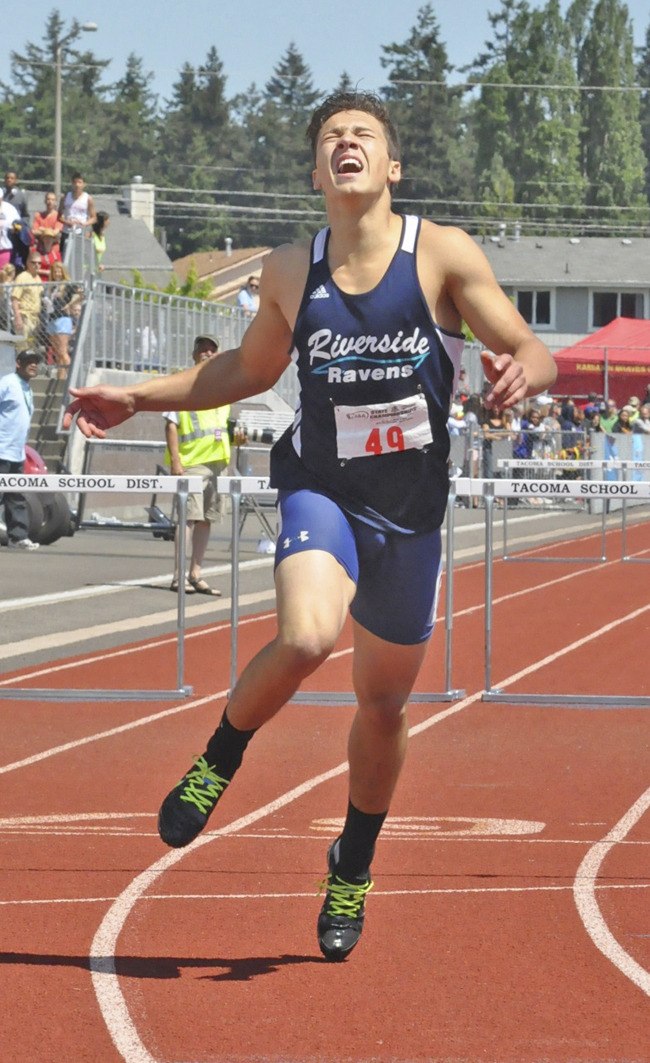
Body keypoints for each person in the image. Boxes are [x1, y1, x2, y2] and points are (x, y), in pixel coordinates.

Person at [64, 90, 557, 962]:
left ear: (391, 166)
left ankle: (352, 861)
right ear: (317, 169)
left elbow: (534, 347)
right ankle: (221, 754)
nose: (346, 144)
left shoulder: (439, 253)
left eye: (362, 134)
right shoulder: (292, 270)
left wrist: (524, 368)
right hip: (320, 484)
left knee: (382, 704)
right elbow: (248, 372)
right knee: (306, 632)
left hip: (409, 511)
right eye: (331, 136)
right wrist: (136, 394)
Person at [163, 334, 230, 596]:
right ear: (194, 354)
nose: (208, 353)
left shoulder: (224, 388)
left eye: (212, 350)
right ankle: (178, 575)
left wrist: (237, 438)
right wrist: (176, 461)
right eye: (203, 349)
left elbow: (222, 428)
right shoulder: (184, 382)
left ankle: (196, 573)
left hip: (217, 463)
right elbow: (171, 423)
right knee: (187, 519)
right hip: (192, 464)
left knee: (206, 520)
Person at [0, 348, 43, 550]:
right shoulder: (7, 383)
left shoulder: (27, 387)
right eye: (29, 361)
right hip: (1, 450)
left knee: (15, 496)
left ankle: (17, 537)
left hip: (16, 453)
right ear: (18, 363)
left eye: (36, 361)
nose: (33, 364)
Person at [44, 263, 79, 379]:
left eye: (59, 271)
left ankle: (72, 378)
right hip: (52, 319)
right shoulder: (52, 286)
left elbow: (81, 293)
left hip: (63, 319)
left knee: (63, 352)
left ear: (63, 272)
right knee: (58, 354)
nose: (57, 273)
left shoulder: (68, 285)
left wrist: (69, 304)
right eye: (55, 271)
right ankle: (61, 379)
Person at [57, 172, 96, 255]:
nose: (77, 185)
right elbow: (59, 216)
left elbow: (94, 218)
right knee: (64, 256)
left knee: (78, 256)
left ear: (84, 184)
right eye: (75, 182)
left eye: (79, 182)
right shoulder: (65, 197)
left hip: (80, 233)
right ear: (72, 183)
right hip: (67, 232)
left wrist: (84, 223)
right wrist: (68, 222)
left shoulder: (88, 199)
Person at [11, 250, 43, 344]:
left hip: (35, 318)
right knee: (23, 347)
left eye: (39, 263)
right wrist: (18, 317)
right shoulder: (22, 277)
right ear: (27, 263)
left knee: (32, 347)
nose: (37, 265)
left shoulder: (38, 278)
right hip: (24, 317)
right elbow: (14, 298)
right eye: (34, 262)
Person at [0, 189, 20, 270]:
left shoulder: (9, 209)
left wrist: (14, 229)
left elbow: (19, 225)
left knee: (3, 275)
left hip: (5, 249)